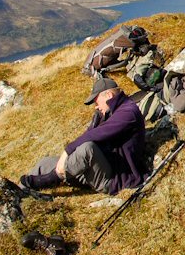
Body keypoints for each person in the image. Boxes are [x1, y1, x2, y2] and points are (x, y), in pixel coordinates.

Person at [20, 77, 149, 195]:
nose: (96, 107)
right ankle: (21, 192)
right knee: (45, 163)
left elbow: (97, 134)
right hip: (94, 168)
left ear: (109, 95)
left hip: (113, 179)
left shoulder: (128, 112)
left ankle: (54, 177)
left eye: (97, 102)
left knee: (87, 148)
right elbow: (90, 134)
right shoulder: (109, 113)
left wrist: (67, 151)